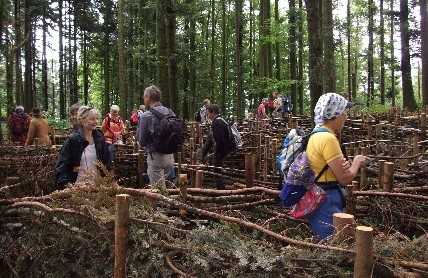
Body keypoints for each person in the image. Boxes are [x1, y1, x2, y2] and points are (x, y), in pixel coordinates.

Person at [306, 92, 368, 242]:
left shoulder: (315, 134)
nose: (346, 116)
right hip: (326, 198)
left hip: (318, 195)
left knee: (326, 243)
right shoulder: (327, 138)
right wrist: (357, 162)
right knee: (332, 246)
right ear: (335, 114)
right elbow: (345, 178)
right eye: (344, 111)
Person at [55, 106, 112, 189]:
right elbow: (61, 166)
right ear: (82, 120)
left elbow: (107, 164)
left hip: (98, 188)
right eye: (92, 119)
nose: (95, 121)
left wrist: (108, 182)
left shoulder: (100, 139)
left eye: (97, 118)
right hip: (77, 188)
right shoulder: (72, 140)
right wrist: (67, 186)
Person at [136, 85, 175, 189]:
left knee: (159, 192)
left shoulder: (146, 116)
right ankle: (170, 204)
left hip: (156, 156)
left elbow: (142, 141)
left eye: (144, 97)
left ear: (148, 97)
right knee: (167, 188)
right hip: (170, 156)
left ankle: (164, 206)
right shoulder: (170, 112)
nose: (144, 99)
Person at [196, 104, 233, 190]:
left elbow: (220, 140)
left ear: (213, 112)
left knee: (216, 172)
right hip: (227, 146)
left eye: (208, 113)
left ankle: (221, 191)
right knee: (210, 135)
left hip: (223, 149)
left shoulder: (216, 122)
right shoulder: (222, 119)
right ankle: (202, 155)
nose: (208, 115)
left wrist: (217, 154)